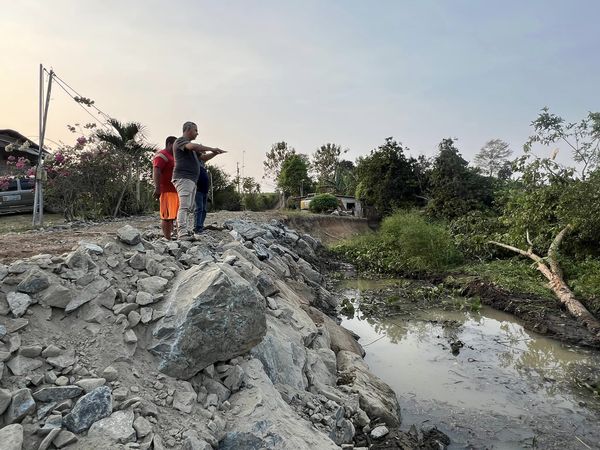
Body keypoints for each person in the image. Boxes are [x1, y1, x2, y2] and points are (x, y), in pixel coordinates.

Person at [172, 121, 226, 240]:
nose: (197, 133)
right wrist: (211, 148)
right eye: (195, 130)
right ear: (188, 129)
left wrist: (215, 153)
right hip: (184, 178)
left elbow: (203, 158)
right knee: (184, 206)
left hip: (191, 180)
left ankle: (183, 230)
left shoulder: (191, 149)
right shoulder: (180, 141)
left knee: (188, 207)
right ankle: (182, 233)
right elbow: (193, 146)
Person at [152, 136, 178, 240]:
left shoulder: (173, 156)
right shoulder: (162, 155)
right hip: (166, 191)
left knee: (173, 215)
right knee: (167, 216)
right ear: (170, 144)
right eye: (176, 145)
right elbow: (156, 170)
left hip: (175, 190)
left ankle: (171, 235)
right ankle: (167, 238)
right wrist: (157, 188)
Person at [194, 150, 221, 233]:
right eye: (202, 153)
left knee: (204, 209)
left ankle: (201, 226)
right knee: (199, 208)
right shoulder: (195, 164)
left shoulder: (203, 166)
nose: (204, 155)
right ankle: (197, 227)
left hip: (205, 191)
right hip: (198, 190)